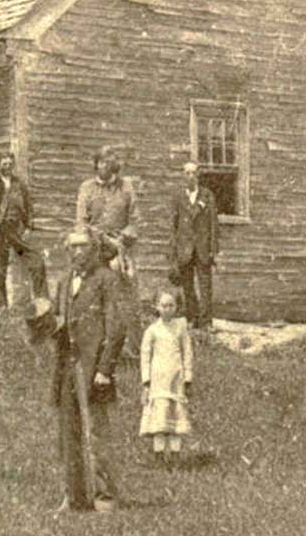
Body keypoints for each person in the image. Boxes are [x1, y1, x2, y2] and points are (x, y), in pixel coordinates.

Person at [49, 227, 124, 512]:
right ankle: (73, 496)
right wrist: (46, 324)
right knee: (68, 432)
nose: (77, 252)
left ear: (93, 249)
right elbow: (59, 319)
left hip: (92, 367)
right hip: (66, 365)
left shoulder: (106, 279)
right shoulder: (65, 280)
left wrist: (105, 368)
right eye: (72, 247)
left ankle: (104, 496)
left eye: (82, 246)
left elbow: (116, 327)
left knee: (95, 431)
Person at [75, 145, 141, 357]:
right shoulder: (86, 187)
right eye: (101, 162)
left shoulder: (126, 187)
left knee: (126, 297)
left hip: (120, 249)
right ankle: (92, 347)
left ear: (115, 165)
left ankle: (130, 349)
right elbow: (81, 222)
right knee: (90, 297)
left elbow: (134, 221)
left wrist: (121, 240)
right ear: (95, 164)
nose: (104, 166)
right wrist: (93, 240)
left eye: (109, 162)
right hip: (93, 250)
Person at [139, 287, 194, 468]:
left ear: (177, 307)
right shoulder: (152, 331)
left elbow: (187, 353)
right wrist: (146, 381)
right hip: (158, 381)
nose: (167, 309)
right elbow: (145, 357)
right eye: (163, 305)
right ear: (156, 307)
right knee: (160, 420)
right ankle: (159, 457)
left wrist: (188, 377)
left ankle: (176, 458)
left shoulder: (181, 328)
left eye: (171, 305)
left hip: (176, 379)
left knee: (175, 417)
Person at [0, 152, 47, 310]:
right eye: (4, 164)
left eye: (9, 164)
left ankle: (42, 300)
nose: (7, 167)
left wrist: (28, 227)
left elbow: (29, 206)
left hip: (16, 231)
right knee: (0, 271)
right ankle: (2, 306)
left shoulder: (19, 183)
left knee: (36, 260)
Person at [168, 161, 220, 331]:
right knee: (187, 285)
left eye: (193, 173)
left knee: (205, 286)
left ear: (198, 175)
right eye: (187, 173)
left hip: (203, 248)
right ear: (183, 176)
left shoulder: (207, 196)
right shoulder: (177, 197)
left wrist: (214, 250)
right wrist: (173, 252)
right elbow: (173, 226)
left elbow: (214, 223)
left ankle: (207, 322)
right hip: (184, 248)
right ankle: (192, 318)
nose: (190, 176)